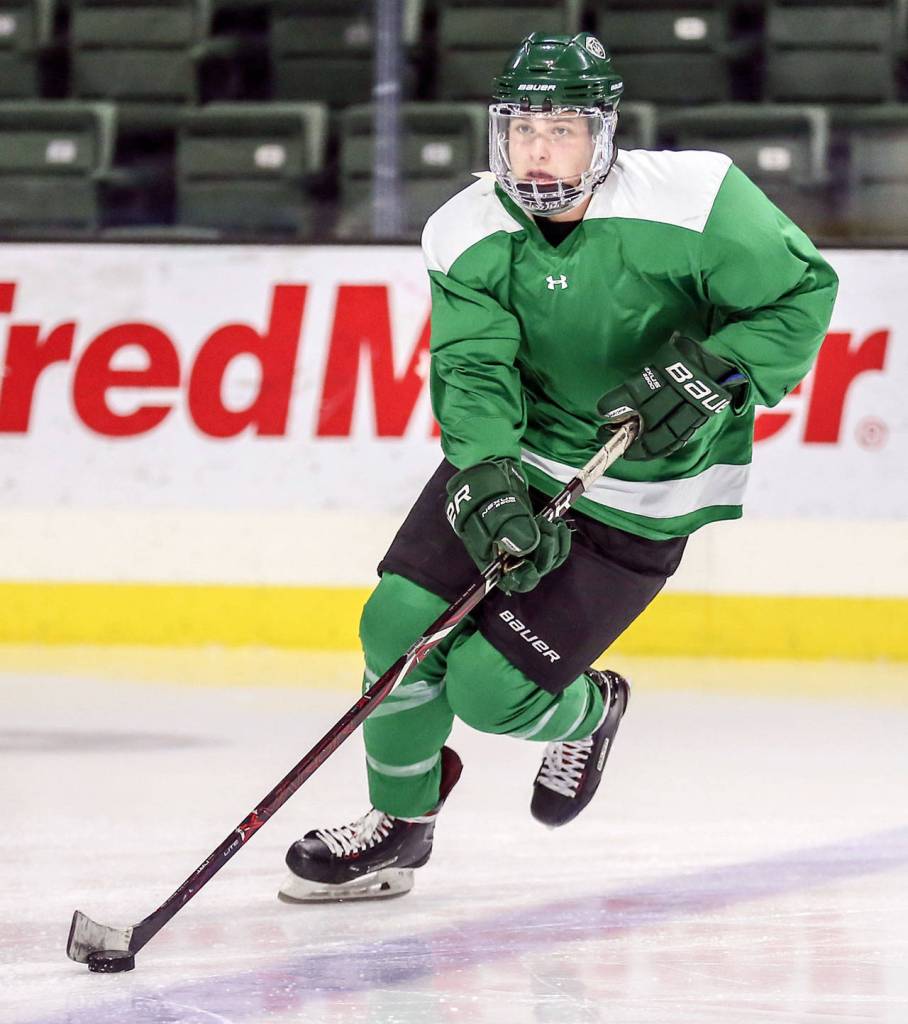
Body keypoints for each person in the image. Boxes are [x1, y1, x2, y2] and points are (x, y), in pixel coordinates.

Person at [279, 32, 838, 902]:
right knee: (394, 628)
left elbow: (801, 294)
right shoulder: (463, 229)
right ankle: (401, 825)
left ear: (604, 133)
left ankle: (592, 708)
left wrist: (719, 369)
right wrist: (487, 475)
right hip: (526, 459)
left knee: (488, 688)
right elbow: (473, 369)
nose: (539, 150)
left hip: (645, 491)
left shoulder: (698, 200)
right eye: (523, 129)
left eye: (564, 130)